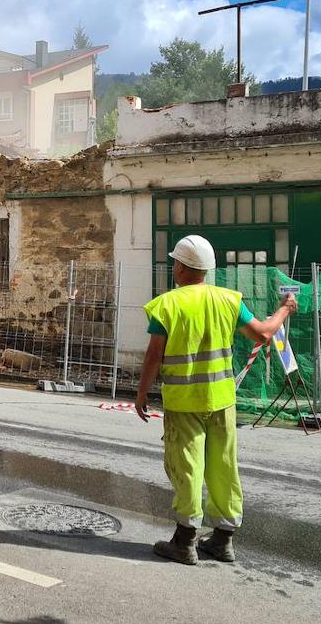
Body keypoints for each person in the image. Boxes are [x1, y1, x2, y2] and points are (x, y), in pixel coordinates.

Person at [135, 234, 298, 565]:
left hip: (184, 402)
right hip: (222, 400)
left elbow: (154, 355)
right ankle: (223, 540)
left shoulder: (167, 305)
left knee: (187, 466)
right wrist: (284, 309)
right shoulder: (229, 300)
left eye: (175, 263)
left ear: (181, 268)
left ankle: (184, 541)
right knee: (224, 466)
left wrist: (141, 393)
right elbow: (264, 333)